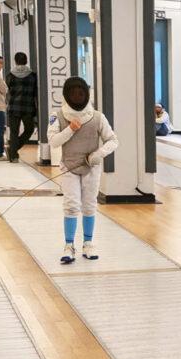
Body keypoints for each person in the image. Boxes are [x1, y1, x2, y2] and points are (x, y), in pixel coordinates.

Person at [47, 77, 118, 264]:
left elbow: (113, 140)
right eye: (73, 93)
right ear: (66, 95)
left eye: (81, 93)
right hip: (69, 167)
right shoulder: (58, 115)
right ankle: (69, 246)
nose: (77, 97)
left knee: (89, 204)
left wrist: (99, 154)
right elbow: (53, 142)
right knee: (71, 205)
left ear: (86, 94)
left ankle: (88, 243)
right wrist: (70, 129)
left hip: (91, 167)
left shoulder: (97, 116)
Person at [5, 51, 37, 163]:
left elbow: (6, 91)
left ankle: (13, 154)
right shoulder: (33, 76)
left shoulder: (9, 76)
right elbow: (35, 93)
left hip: (13, 107)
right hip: (28, 108)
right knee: (29, 129)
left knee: (14, 132)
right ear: (26, 61)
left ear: (15, 61)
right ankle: (13, 150)